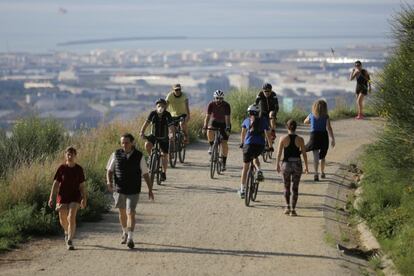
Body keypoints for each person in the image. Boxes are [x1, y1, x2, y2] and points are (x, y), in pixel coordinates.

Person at [106, 133, 154, 249]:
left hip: (133, 190)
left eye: (127, 142)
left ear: (132, 143)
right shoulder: (115, 154)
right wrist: (109, 182)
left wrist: (150, 189)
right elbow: (109, 170)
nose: (124, 145)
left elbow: (146, 174)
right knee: (122, 213)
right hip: (119, 189)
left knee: (130, 212)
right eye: (122, 142)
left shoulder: (139, 156)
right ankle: (125, 232)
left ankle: (130, 238)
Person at [48, 146, 87, 250]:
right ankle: (67, 231)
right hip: (63, 196)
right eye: (68, 154)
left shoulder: (79, 169)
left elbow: (82, 186)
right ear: (65, 155)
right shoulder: (61, 168)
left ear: (75, 156)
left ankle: (70, 240)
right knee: (62, 219)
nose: (70, 156)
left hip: (75, 195)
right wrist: (51, 197)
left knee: (71, 217)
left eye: (72, 155)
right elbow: (56, 184)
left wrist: (84, 198)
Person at [238, 104, 273, 198]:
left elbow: (243, 132)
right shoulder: (263, 121)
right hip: (259, 146)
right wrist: (270, 146)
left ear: (249, 112)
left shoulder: (246, 120)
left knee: (245, 168)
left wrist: (242, 143)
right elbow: (268, 134)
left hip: (248, 145)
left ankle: (242, 190)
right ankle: (259, 170)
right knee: (255, 157)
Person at [276, 120, 309, 216]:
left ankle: (287, 207)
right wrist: (306, 166)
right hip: (297, 164)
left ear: (287, 127)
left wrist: (277, 164)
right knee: (295, 187)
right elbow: (304, 154)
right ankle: (293, 210)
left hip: (286, 164)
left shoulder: (283, 138)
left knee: (286, 187)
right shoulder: (300, 139)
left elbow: (279, 153)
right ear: (296, 127)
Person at [140, 98, 175, 181]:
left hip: (164, 137)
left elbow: (171, 127)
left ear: (165, 107)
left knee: (165, 155)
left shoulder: (167, 115)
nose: (160, 107)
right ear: (156, 106)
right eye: (159, 105)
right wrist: (142, 132)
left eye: (162, 105)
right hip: (153, 135)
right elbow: (146, 123)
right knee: (147, 144)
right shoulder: (152, 114)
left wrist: (171, 135)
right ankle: (151, 157)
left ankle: (163, 172)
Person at [304, 99, 335, 181]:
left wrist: (311, 121)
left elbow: (305, 121)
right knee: (322, 156)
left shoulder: (311, 115)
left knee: (315, 156)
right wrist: (332, 139)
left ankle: (316, 173)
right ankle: (322, 172)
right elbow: (329, 128)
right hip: (323, 136)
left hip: (314, 135)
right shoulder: (326, 116)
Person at [202, 90, 231, 171]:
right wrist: (204, 126)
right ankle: (212, 146)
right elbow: (207, 117)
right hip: (215, 121)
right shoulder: (211, 104)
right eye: (217, 98)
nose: (219, 100)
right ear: (214, 98)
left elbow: (227, 118)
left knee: (224, 142)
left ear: (223, 98)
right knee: (209, 130)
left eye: (221, 98)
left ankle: (224, 163)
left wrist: (227, 127)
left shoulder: (226, 105)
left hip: (224, 123)